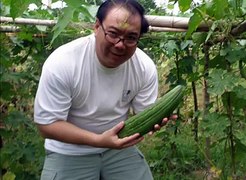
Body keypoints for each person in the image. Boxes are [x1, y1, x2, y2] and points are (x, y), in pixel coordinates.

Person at [34, 0, 173, 179]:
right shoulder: (63, 62)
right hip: (69, 150)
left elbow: (144, 113)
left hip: (119, 148)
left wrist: (156, 121)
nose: (120, 44)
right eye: (113, 34)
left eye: (131, 37)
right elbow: (47, 125)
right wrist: (98, 140)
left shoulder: (144, 67)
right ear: (97, 26)